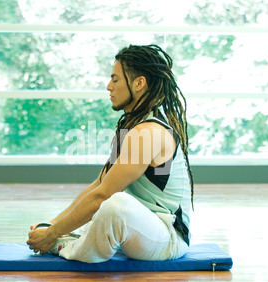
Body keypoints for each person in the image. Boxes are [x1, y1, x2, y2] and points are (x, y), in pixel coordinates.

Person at [27, 44, 194, 263]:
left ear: (139, 83)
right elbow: (98, 185)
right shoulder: (131, 128)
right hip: (142, 231)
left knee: (115, 205)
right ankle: (64, 238)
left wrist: (51, 234)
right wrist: (53, 225)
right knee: (104, 206)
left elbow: (103, 195)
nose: (108, 87)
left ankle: (65, 246)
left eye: (115, 80)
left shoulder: (150, 132)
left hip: (167, 239)